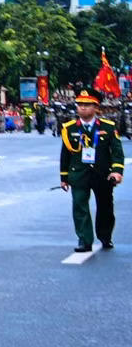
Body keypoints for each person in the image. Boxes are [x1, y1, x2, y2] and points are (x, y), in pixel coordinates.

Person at [59, 89, 123, 259]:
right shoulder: (69, 128)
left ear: (95, 107)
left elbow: (117, 151)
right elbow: (65, 154)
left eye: (87, 105)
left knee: (105, 207)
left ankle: (105, 236)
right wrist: (64, 178)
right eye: (80, 105)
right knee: (79, 206)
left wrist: (117, 171)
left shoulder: (108, 128)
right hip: (79, 174)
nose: (83, 108)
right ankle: (84, 240)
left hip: (102, 174)